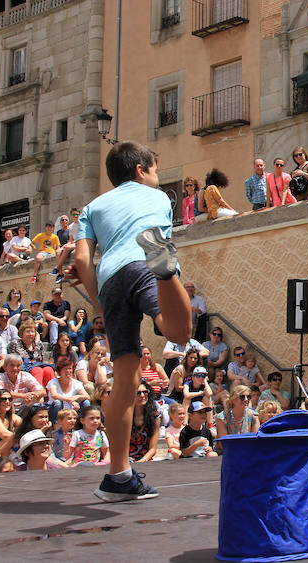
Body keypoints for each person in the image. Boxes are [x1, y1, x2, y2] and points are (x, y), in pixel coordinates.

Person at [71, 140, 192, 502]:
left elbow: (81, 262)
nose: (156, 176)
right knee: (179, 332)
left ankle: (118, 477)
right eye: (154, 169)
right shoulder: (156, 197)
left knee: (124, 379)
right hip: (143, 263)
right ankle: (167, 272)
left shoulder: (91, 207)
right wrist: (157, 268)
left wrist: (99, 305)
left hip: (109, 278)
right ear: (141, 171)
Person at [7, 318, 55, 387]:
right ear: (22, 333)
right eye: (27, 332)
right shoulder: (14, 344)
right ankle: (38, 395)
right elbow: (13, 361)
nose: (30, 334)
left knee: (48, 370)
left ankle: (52, 395)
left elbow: (41, 360)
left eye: (32, 331)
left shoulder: (39, 344)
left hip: (36, 366)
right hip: (21, 369)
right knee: (37, 370)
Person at [46, 356, 90, 422]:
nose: (68, 371)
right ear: (60, 370)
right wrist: (69, 400)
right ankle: (56, 426)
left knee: (86, 402)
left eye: (70, 368)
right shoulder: (53, 382)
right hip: (57, 410)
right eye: (65, 369)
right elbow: (54, 395)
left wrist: (77, 397)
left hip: (72, 411)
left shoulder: (76, 383)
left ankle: (84, 424)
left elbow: (87, 396)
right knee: (57, 403)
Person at [129, 380, 160, 463]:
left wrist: (142, 461)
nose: (142, 395)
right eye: (138, 393)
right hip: (126, 460)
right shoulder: (124, 416)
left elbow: (153, 449)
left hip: (145, 460)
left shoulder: (154, 417)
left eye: (145, 392)